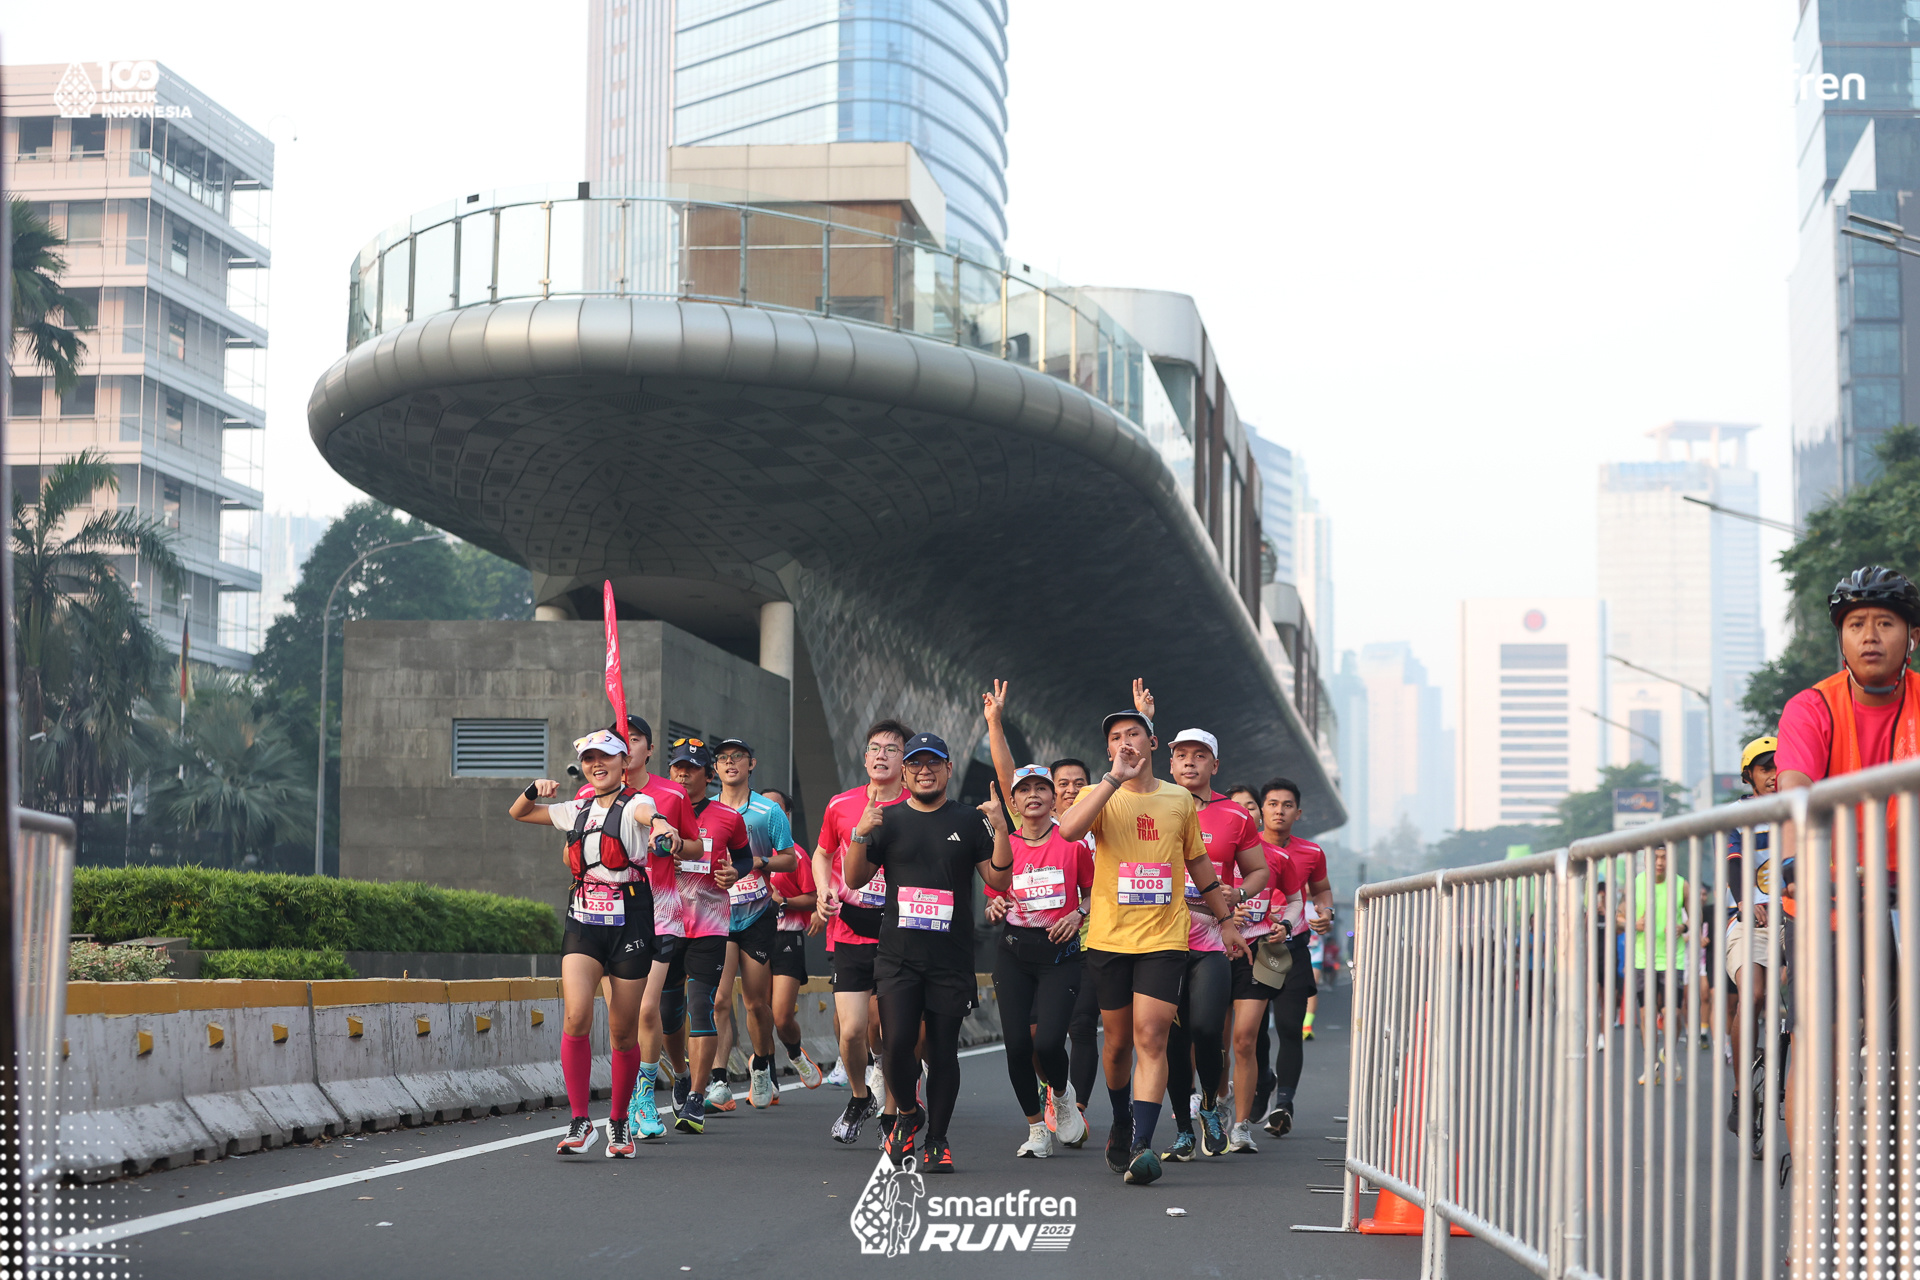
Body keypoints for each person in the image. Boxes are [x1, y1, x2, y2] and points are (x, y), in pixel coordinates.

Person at [1057, 683, 1247, 1187]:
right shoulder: (1099, 794)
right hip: (1109, 939)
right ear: (1109, 750)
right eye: (1116, 737)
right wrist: (1111, 780)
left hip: (1165, 939)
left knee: (1151, 1035)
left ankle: (1142, 1143)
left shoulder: (1178, 799)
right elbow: (1069, 831)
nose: (1126, 742)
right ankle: (1121, 1119)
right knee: (1118, 1045)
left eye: (1134, 734)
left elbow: (1198, 862)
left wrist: (1226, 921)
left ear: (1152, 743)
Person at [1770, 565, 1920, 1184]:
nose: (1870, 636)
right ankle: (1810, 1180)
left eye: (1885, 623)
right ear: (1842, 637)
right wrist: (1798, 863)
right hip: (1827, 891)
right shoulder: (1813, 706)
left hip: (1909, 893)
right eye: (1856, 624)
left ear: (1912, 637)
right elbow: (1796, 790)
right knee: (1821, 1031)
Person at [845, 732, 1012, 1173]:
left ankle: (937, 1139)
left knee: (941, 1053)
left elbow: (998, 880)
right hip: (898, 956)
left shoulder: (970, 820)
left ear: (948, 769)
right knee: (897, 1044)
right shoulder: (887, 819)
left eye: (933, 763)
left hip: (950, 959)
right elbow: (855, 879)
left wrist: (1000, 828)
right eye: (916, 763)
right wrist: (860, 833)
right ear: (904, 772)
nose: (924, 771)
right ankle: (907, 1113)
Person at [509, 728, 678, 1157]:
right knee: (576, 1016)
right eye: (588, 759)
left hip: (630, 925)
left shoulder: (637, 803)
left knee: (622, 1033)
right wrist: (534, 789)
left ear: (624, 762)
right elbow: (518, 813)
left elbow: (650, 815)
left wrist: (661, 824)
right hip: (583, 922)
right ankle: (581, 1121)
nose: (596, 765)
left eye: (605, 757)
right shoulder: (576, 809)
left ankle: (618, 1123)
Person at [1124, 682, 1268, 1162]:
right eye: (1181, 755)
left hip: (1210, 935)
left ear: (1214, 766)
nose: (1189, 763)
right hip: (1158, 937)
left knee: (1207, 1029)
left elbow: (1259, 871)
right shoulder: (1150, 802)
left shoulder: (1234, 815)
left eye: (1199, 756)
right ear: (1168, 763)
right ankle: (1183, 1128)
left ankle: (1209, 1104)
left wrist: (1237, 895)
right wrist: (1144, 718)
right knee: (1169, 1037)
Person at [590, 713, 702, 1140]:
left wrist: (675, 842)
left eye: (635, 739)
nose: (627, 746)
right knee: (621, 1017)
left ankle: (643, 1096)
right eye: (620, 739)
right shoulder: (589, 794)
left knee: (647, 1008)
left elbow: (695, 844)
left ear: (648, 749)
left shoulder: (672, 794)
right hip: (607, 914)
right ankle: (626, 1101)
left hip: (659, 912)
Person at [814, 719, 914, 1144]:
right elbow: (822, 853)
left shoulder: (917, 805)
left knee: (891, 1030)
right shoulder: (841, 804)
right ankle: (860, 1096)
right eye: (874, 747)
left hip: (899, 933)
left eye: (891, 749)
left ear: (905, 760)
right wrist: (823, 890)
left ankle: (893, 1111)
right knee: (853, 1030)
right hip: (849, 929)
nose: (881, 755)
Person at [662, 738, 752, 1133]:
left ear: (708, 775)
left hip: (710, 924)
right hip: (665, 922)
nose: (683, 774)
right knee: (667, 1014)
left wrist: (736, 873)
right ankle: (681, 1076)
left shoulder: (727, 817)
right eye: (678, 767)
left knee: (702, 1005)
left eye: (692, 768)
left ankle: (697, 1097)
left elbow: (744, 856)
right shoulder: (655, 811)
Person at [707, 737, 799, 1111]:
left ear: (751, 764)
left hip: (757, 914)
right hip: (717, 914)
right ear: (715, 768)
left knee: (756, 1003)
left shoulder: (767, 811)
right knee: (718, 1000)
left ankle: (761, 1065)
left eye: (738, 757)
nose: (730, 763)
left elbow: (790, 859)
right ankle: (718, 1080)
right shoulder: (705, 809)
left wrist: (757, 863)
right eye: (723, 758)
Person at [1227, 779, 1311, 1153]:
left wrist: (1288, 925)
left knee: (1252, 1034)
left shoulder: (1282, 857)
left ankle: (1250, 1120)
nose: (1244, 814)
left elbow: (1298, 899)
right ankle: (1219, 1101)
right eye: (1236, 808)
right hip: (1215, 951)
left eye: (1250, 807)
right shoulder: (1207, 851)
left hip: (1268, 951)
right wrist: (1224, 912)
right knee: (1215, 1038)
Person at [1258, 777, 1331, 1137]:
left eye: (1287, 805)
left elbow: (1322, 891)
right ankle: (1262, 1081)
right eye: (1272, 804)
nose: (1280, 811)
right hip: (1252, 949)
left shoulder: (1312, 853)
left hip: (1294, 948)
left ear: (1298, 813)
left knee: (1289, 1027)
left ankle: (1283, 1104)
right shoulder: (1247, 848)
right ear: (1261, 810)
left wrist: (1326, 912)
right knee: (1252, 1032)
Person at [764, 789, 826, 1090]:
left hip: (787, 936)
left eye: (775, 809)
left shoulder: (796, 855)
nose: (768, 814)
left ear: (786, 816)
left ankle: (795, 1052)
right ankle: (766, 1079)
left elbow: (814, 897)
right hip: (752, 936)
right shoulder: (743, 852)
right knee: (759, 1013)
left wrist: (783, 901)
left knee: (781, 1016)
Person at [1619, 842, 1687, 1086]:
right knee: (1646, 1014)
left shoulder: (1681, 884)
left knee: (1672, 1013)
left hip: (1672, 958)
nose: (1660, 862)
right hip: (1643, 959)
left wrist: (1683, 926)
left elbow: (1696, 916)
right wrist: (1632, 924)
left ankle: (1668, 1051)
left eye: (1664, 857)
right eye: (1656, 857)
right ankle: (1650, 1065)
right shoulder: (1635, 884)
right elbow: (1619, 916)